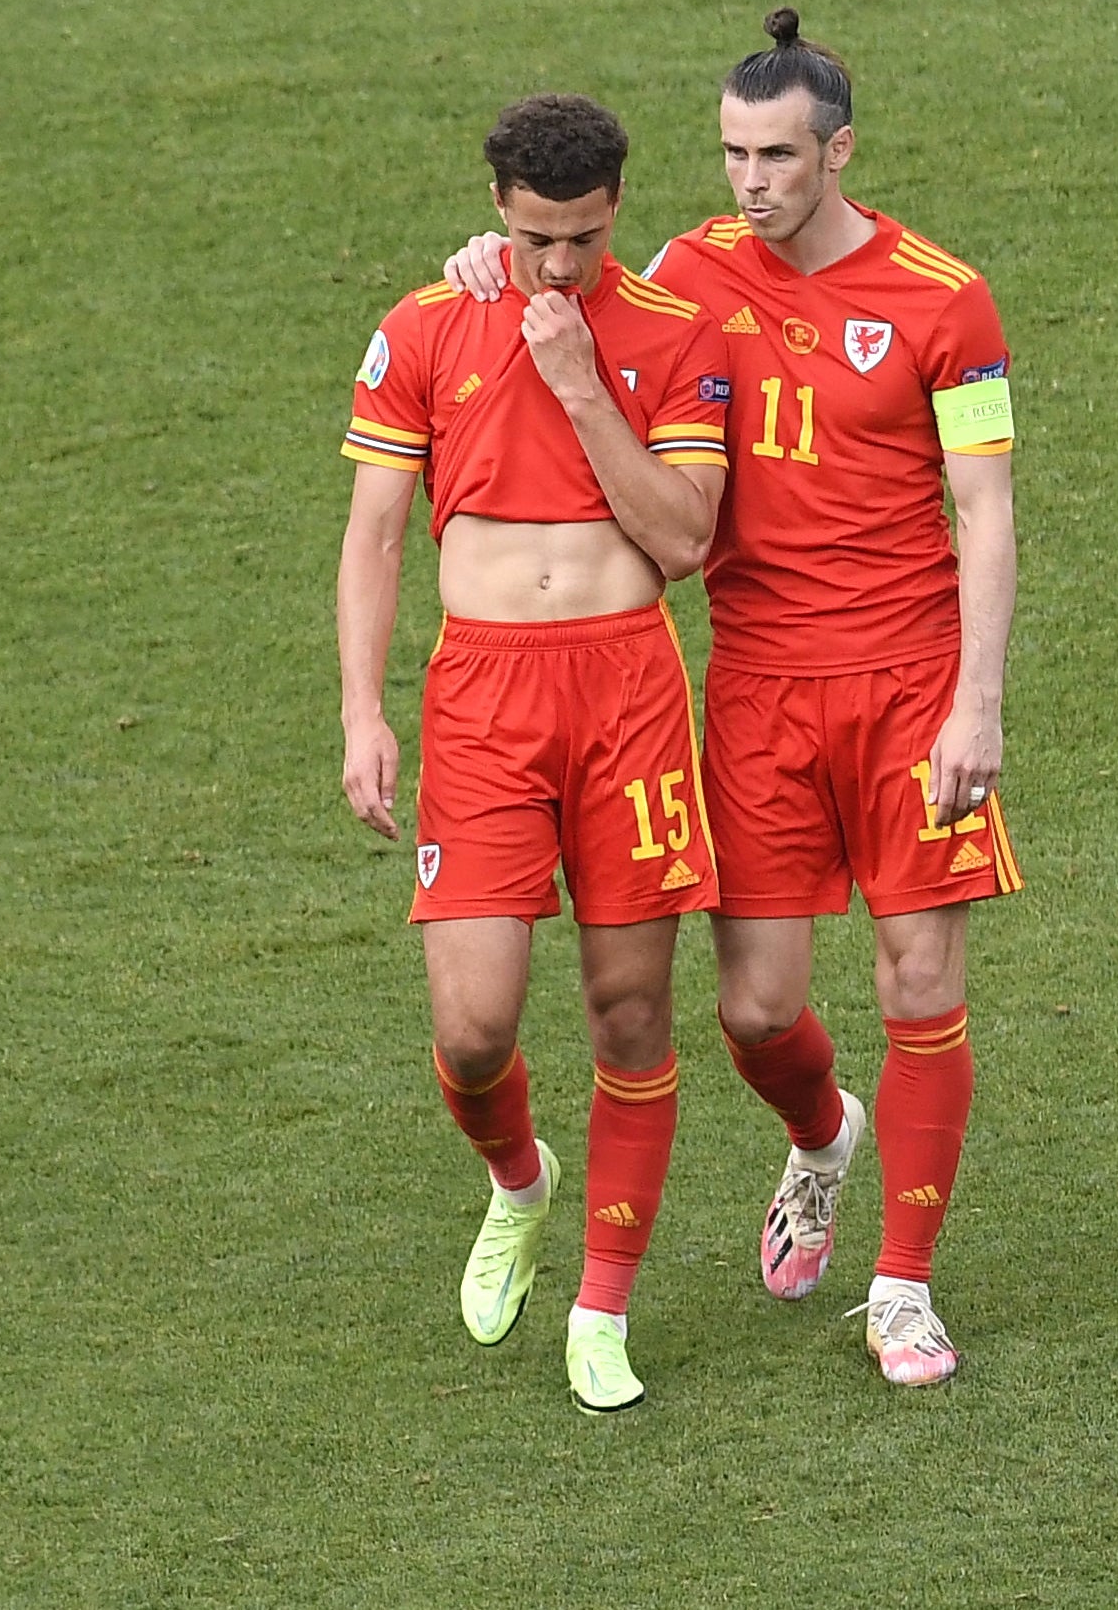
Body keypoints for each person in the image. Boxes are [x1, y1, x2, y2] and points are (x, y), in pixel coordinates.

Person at [445, 11, 1020, 1385]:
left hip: (906, 684)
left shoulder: (945, 297)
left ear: (838, 152)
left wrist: (978, 705)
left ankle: (901, 1290)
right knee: (757, 1012)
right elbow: (573, 304)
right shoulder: (694, 268)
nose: (749, 180)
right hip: (755, 689)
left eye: (773, 155)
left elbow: (985, 510)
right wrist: (479, 262)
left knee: (920, 976)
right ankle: (825, 1139)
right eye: (729, 153)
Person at [337, 93, 733, 1414]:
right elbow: (376, 538)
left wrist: (576, 379)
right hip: (483, 698)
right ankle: (519, 1178)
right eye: (531, 239)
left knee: (630, 1012)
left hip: (628, 690)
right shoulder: (425, 325)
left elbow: (683, 538)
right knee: (474, 1026)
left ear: (619, 205)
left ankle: (603, 1307)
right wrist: (363, 712)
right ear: (495, 210)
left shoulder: (675, 333)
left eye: (580, 239)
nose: (557, 266)